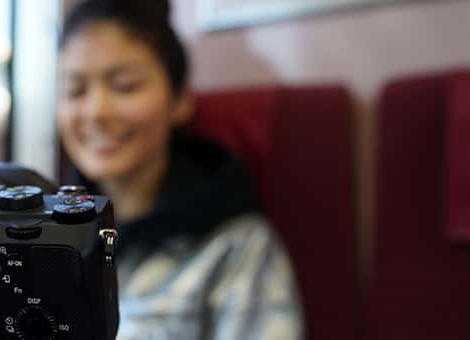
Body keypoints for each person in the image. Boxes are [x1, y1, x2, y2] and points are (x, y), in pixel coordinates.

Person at [56, 1, 304, 339]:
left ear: (180, 100)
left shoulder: (237, 246)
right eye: (75, 90)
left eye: (125, 85)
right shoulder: (49, 236)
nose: (96, 111)